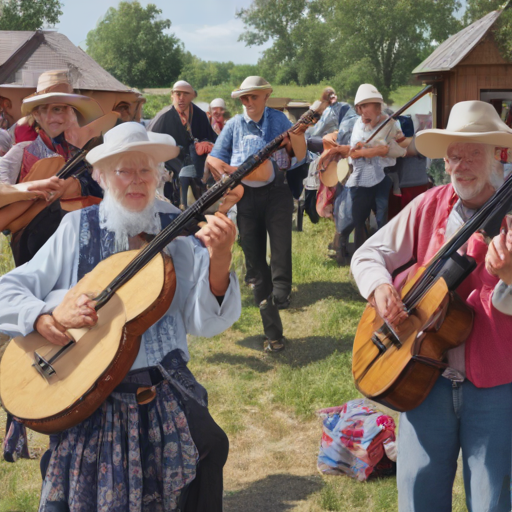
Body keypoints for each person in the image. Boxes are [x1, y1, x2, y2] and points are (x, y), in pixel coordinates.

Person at [0, 121, 241, 511]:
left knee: (207, 451)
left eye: (145, 170)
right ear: (101, 176)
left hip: (161, 386)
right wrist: (46, 313)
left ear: (158, 176)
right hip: (89, 395)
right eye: (123, 170)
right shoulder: (77, 227)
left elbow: (204, 321)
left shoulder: (177, 230)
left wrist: (221, 259)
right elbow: (7, 290)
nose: (136, 181)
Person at [351, 100, 512, 512]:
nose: (460, 165)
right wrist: (381, 289)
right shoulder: (430, 203)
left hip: (496, 386)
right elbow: (367, 256)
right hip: (423, 377)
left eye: (473, 153)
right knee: (418, 496)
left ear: (499, 154)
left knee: (492, 500)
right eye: (453, 155)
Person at [207, 76, 302, 352]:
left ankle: (281, 291)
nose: (248, 103)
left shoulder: (281, 121)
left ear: (266, 96)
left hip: (277, 191)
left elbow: (299, 156)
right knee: (254, 257)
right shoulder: (234, 125)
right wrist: (220, 167)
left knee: (281, 243)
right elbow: (215, 155)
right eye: (244, 98)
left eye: (253, 97)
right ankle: (271, 317)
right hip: (245, 196)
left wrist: (292, 147)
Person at [335, 83, 407, 263]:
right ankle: (354, 254)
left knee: (382, 217)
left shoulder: (390, 124)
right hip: (359, 179)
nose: (362, 112)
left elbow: (399, 145)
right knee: (356, 219)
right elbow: (355, 152)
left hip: (382, 176)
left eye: (365, 107)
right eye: (360, 107)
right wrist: (368, 150)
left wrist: (381, 149)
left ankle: (383, 256)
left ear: (376, 106)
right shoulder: (358, 125)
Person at [148, 80, 217, 209]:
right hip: (170, 166)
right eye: (178, 94)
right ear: (172, 95)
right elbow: (148, 143)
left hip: (196, 167)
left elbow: (212, 138)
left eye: (185, 94)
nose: (181, 98)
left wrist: (206, 144)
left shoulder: (200, 115)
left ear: (192, 96)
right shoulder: (164, 117)